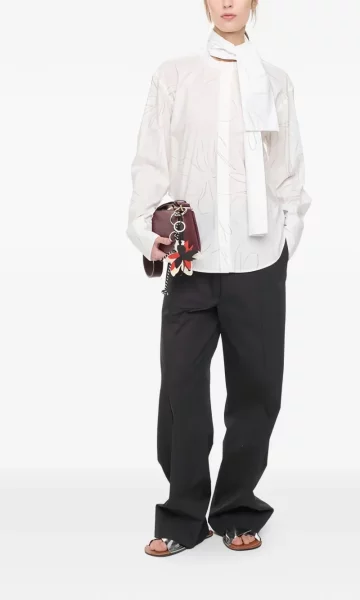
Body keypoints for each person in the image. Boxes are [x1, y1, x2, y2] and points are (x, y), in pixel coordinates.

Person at [126, 0, 312, 557]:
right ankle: (183, 515)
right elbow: (151, 161)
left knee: (257, 391)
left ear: (254, 3)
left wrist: (286, 238)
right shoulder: (174, 76)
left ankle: (236, 509)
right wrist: (145, 230)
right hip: (192, 264)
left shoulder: (275, 81)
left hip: (258, 260)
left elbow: (289, 169)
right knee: (181, 393)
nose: (227, 3)